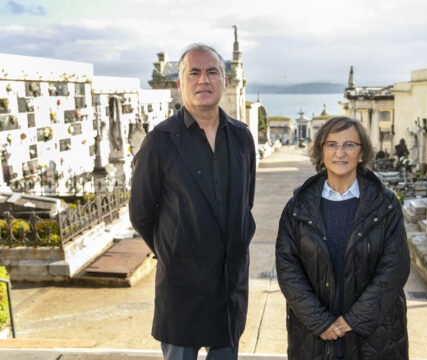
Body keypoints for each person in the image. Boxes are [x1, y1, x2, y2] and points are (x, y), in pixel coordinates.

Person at [129, 44, 256, 360]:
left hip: (229, 286)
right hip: (182, 288)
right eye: (194, 73)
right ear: (180, 83)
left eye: (212, 72)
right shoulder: (160, 141)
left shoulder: (242, 138)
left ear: (224, 82)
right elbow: (141, 212)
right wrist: (174, 252)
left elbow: (245, 202)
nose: (204, 80)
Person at [275, 116, 410, 360]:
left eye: (350, 145)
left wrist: (351, 321)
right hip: (314, 337)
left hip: (375, 336)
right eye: (332, 144)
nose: (341, 152)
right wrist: (321, 322)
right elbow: (288, 270)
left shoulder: (386, 205)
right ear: (321, 151)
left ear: (361, 153)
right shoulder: (297, 207)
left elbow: (394, 269)